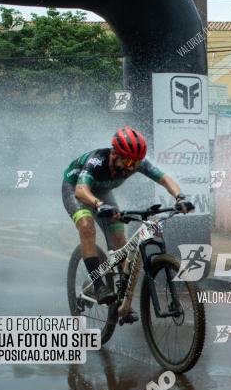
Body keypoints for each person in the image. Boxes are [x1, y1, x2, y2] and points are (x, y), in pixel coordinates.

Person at [61, 126, 187, 312]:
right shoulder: (97, 161)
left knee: (121, 240)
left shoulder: (137, 163)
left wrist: (180, 198)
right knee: (87, 227)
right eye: (127, 161)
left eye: (135, 163)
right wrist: (98, 204)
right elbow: (81, 191)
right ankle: (98, 286)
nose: (131, 167)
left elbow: (164, 179)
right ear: (114, 154)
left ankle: (123, 300)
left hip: (102, 192)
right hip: (75, 189)